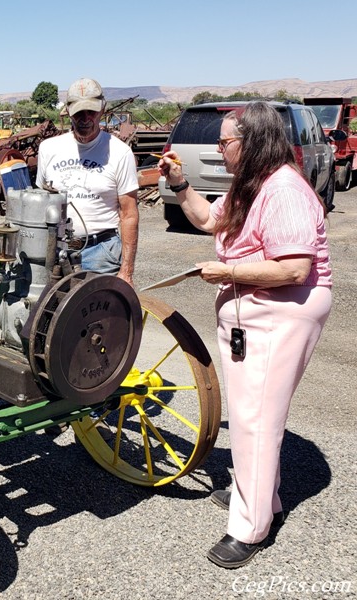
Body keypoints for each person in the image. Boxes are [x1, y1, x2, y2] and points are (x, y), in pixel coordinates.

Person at [157, 101, 332, 569]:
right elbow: (209, 221)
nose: (219, 148)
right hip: (253, 310)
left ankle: (249, 529)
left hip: (281, 314)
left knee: (256, 418)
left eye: (225, 141)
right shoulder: (250, 185)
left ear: (252, 142)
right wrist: (178, 182)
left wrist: (228, 270)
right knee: (252, 411)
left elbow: (295, 267)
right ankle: (259, 499)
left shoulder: (284, 191)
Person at [36, 78, 139, 286]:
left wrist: (127, 272)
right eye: (78, 113)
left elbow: (128, 214)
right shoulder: (48, 149)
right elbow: (40, 204)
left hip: (102, 254)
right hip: (56, 252)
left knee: (101, 316)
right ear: (68, 111)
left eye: (91, 112)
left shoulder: (120, 153)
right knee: (51, 315)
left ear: (102, 109)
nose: (85, 119)